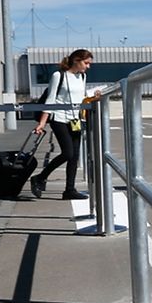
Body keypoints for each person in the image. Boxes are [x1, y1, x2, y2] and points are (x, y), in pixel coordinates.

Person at [31, 49, 99, 200]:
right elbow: (50, 99)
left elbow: (81, 97)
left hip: (75, 120)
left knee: (74, 156)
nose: (88, 67)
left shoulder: (82, 76)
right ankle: (40, 178)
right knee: (67, 153)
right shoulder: (58, 75)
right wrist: (42, 123)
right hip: (59, 118)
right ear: (76, 60)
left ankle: (69, 190)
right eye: (86, 63)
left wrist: (93, 97)